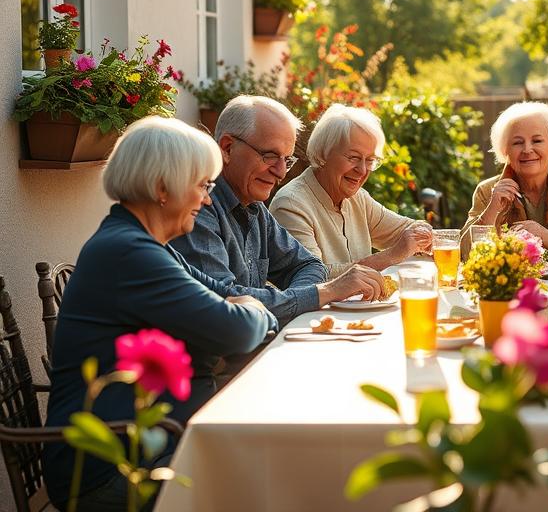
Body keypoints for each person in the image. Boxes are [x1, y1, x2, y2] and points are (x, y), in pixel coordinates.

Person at [43, 117, 276, 511]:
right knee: (272, 477)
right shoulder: (128, 253)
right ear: (163, 188)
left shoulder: (149, 246)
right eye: (203, 186)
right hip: (112, 469)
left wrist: (246, 306)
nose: (207, 201)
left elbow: (232, 296)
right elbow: (236, 331)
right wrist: (254, 307)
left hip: (155, 441)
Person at [173, 96, 385, 328]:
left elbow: (308, 265)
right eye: (270, 156)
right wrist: (323, 293)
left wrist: (290, 301)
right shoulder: (197, 210)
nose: (281, 172)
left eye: (287, 159)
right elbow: (227, 309)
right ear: (227, 147)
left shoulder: (254, 207)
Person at [270, 104, 432, 275]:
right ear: (323, 154)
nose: (362, 170)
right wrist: (390, 256)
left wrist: (426, 234)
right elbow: (312, 278)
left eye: (370, 160)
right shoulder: (290, 206)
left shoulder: (358, 199)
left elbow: (405, 231)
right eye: (353, 158)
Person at [461, 101, 548, 266]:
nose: (527, 150)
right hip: (507, 286)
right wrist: (491, 210)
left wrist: (544, 235)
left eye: (537, 141)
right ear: (505, 151)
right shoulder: (487, 191)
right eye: (517, 142)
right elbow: (465, 255)